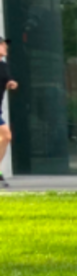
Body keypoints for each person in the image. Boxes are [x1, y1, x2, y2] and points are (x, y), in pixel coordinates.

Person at [0, 37, 18, 188]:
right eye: (2, 45)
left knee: (6, 137)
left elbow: (8, 79)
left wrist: (11, 83)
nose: (5, 47)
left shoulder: (3, 65)